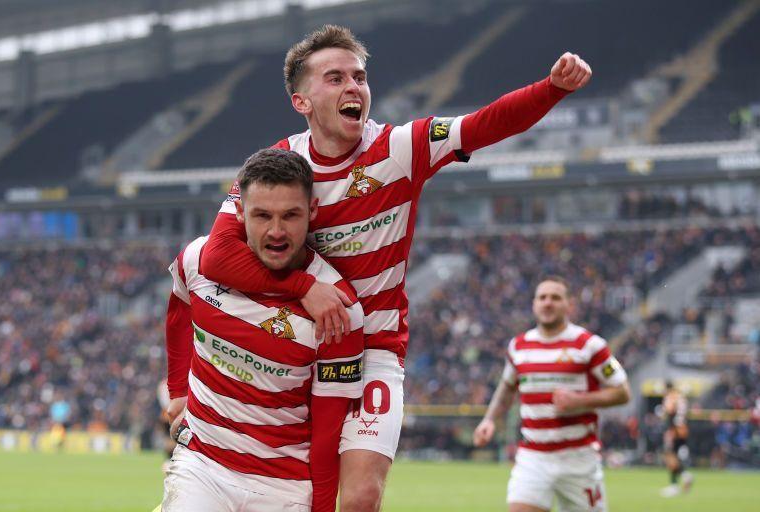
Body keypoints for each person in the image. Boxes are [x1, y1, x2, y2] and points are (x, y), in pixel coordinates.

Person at [168, 24, 593, 511]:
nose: (353, 87)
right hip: (302, 349)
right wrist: (307, 287)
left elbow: (484, 124)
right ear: (301, 102)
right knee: (296, 488)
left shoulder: (400, 148)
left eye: (360, 76)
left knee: (362, 496)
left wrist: (553, 88)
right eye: (335, 78)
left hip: (373, 350)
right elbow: (218, 255)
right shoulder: (277, 168)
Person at [162, 148, 364, 511]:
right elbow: (179, 308)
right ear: (239, 213)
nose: (276, 231)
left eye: (290, 215)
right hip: (203, 466)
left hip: (284, 486)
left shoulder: (338, 310)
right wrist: (178, 391)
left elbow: (327, 432)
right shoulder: (197, 260)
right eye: (262, 215)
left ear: (312, 212)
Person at [473, 277, 630, 512]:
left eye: (556, 298)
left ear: (569, 305)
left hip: (578, 459)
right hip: (533, 456)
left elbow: (622, 392)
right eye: (542, 297)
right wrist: (489, 419)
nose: (548, 303)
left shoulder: (590, 345)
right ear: (534, 304)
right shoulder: (519, 346)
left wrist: (581, 400)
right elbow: (507, 387)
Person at [659, 380, 693, 497]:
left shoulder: (670, 397)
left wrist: (662, 413)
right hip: (683, 430)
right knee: (674, 456)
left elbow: (669, 411)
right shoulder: (680, 397)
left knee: (670, 456)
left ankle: (676, 484)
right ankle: (683, 476)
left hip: (675, 430)